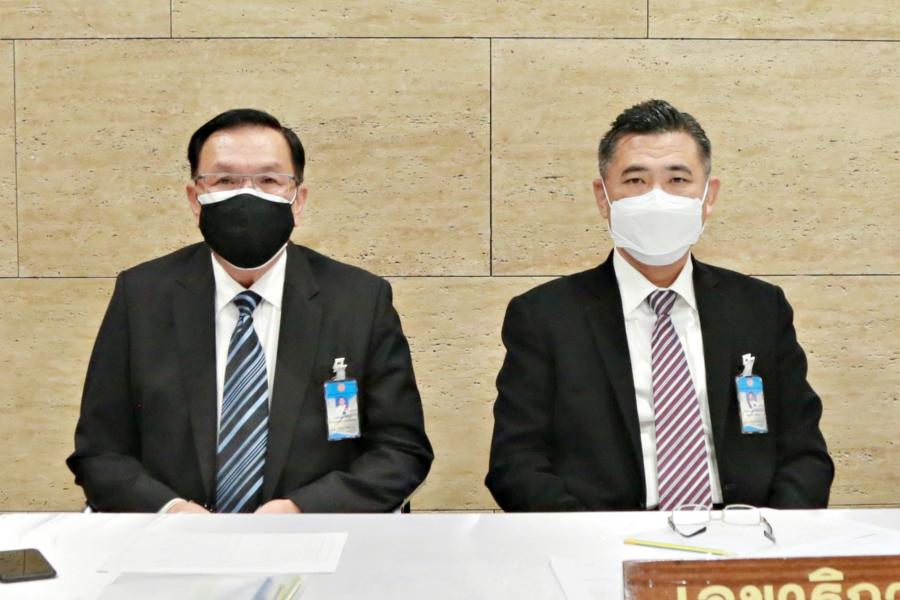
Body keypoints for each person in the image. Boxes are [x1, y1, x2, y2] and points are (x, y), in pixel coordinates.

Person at [67, 108, 433, 513]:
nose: (247, 196)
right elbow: (99, 453)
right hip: (175, 539)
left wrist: (302, 510)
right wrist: (171, 510)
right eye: (225, 180)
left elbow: (401, 451)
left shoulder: (359, 300)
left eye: (269, 181)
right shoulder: (141, 296)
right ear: (195, 199)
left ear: (298, 200)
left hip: (315, 536)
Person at [486, 99, 833, 512]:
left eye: (677, 179)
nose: (656, 197)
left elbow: (804, 454)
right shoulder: (544, 317)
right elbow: (516, 463)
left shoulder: (759, 308)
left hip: (743, 532)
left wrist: (769, 535)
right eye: (635, 180)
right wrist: (590, 538)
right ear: (603, 198)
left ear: (708, 196)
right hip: (599, 534)